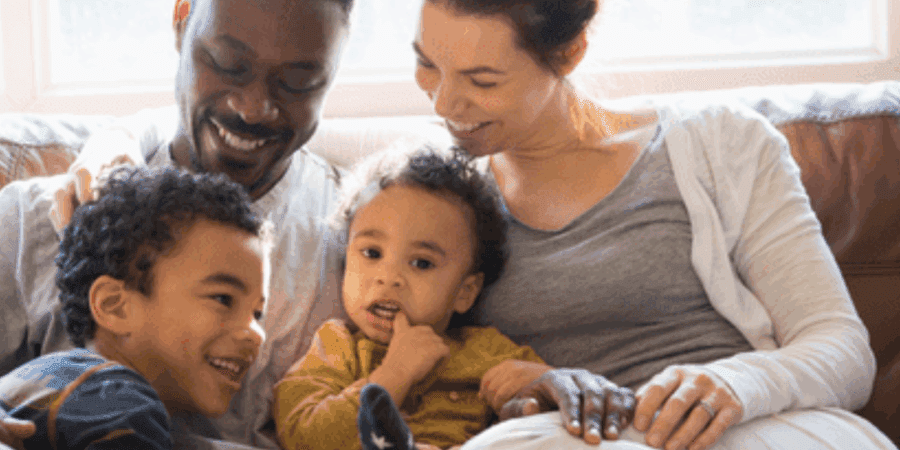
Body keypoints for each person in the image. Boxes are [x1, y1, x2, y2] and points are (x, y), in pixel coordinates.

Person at [406, 0, 897, 449]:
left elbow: (843, 351)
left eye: (483, 81)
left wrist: (738, 383)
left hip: (745, 426)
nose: (444, 103)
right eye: (427, 63)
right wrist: (517, 385)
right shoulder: (429, 196)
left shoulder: (721, 142)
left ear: (570, 53)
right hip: (574, 437)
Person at [0, 0, 355, 447]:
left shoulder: (364, 249)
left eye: (298, 84)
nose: (253, 108)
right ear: (180, 22)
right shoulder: (36, 217)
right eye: (228, 65)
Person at [271, 148, 551, 450]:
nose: (389, 278)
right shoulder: (336, 347)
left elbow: (565, 397)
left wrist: (539, 385)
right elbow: (304, 436)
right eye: (372, 253)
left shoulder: (486, 351)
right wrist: (393, 375)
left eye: (421, 263)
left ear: (464, 292)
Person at [0, 165, 269, 450]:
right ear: (115, 307)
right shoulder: (117, 402)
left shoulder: (52, 379)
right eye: (223, 299)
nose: (256, 334)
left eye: (257, 313)